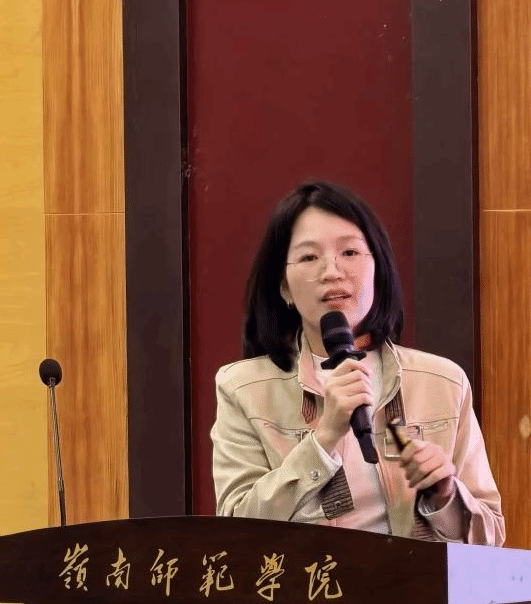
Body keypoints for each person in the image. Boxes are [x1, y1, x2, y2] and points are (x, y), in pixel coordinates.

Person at [211, 180, 505, 546]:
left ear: (378, 268)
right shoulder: (243, 388)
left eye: (349, 252)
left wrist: (445, 493)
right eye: (309, 257)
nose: (332, 271)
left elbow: (490, 537)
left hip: (414, 582)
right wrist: (324, 439)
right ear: (284, 287)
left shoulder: (442, 381)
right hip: (314, 581)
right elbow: (236, 533)